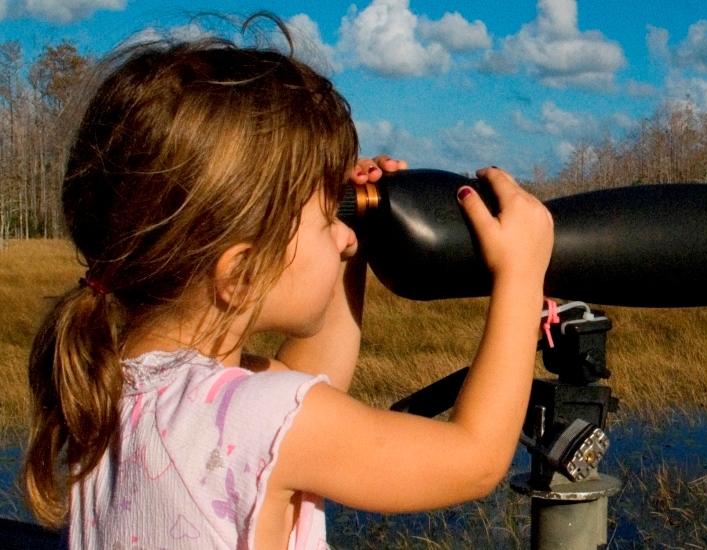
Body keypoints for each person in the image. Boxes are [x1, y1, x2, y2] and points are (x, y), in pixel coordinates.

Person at [20, 21, 553, 550]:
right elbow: (472, 460)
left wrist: (360, 233)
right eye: (328, 222)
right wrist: (521, 275)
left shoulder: (108, 386)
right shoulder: (262, 414)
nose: (344, 240)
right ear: (243, 273)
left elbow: (308, 379)